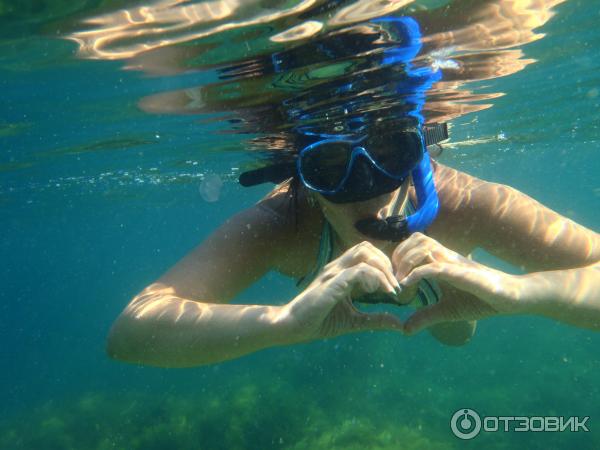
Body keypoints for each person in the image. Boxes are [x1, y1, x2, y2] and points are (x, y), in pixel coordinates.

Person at [105, 15, 600, 369]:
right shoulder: (284, 223)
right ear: (303, 180)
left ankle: (443, 307)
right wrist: (280, 323)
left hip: (450, 297)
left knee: (453, 333)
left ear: (420, 156)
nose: (368, 192)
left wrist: (521, 290)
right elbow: (132, 332)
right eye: (330, 167)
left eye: (390, 153)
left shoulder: (468, 204)